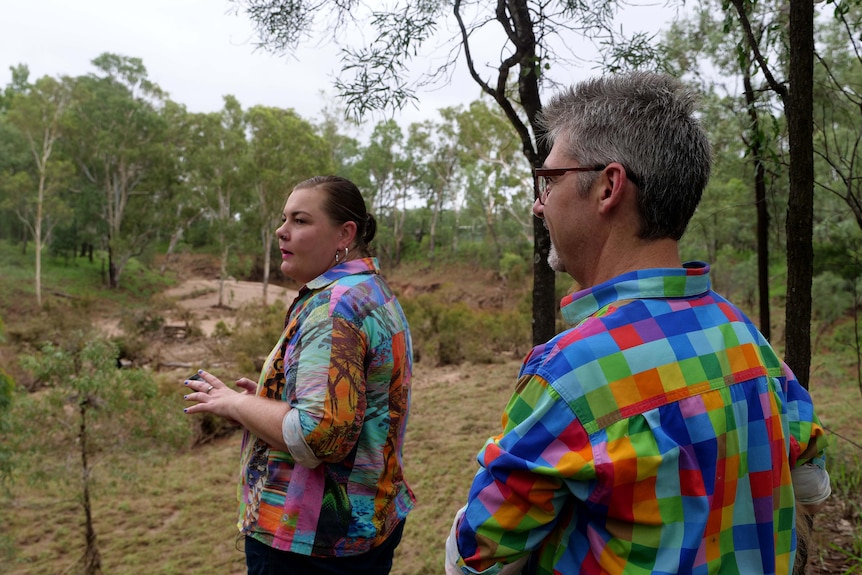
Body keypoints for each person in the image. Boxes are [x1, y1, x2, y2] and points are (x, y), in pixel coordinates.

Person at [444, 72, 830, 575]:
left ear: (608, 186)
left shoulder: (569, 375)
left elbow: (476, 558)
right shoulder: (749, 341)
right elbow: (811, 486)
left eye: (550, 179)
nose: (539, 203)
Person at [183, 175, 415, 575]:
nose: (281, 230)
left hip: (311, 544)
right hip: (367, 523)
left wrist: (238, 403)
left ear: (345, 233)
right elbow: (354, 407)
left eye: (300, 220)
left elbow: (318, 435)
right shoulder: (370, 290)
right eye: (284, 219)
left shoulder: (333, 308)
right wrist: (263, 401)